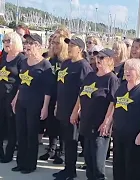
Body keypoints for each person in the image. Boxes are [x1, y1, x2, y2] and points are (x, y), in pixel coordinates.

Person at [102, 58, 140, 180]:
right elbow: (115, 106)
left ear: (139, 71)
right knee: (118, 166)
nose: (127, 72)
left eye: (131, 69)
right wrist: (108, 123)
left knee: (132, 168)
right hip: (119, 133)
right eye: (126, 69)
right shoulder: (122, 87)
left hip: (135, 135)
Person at [71, 48, 119, 180]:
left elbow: (113, 103)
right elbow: (81, 95)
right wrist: (75, 112)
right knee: (89, 159)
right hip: (87, 122)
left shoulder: (112, 79)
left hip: (100, 125)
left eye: (102, 58)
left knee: (98, 163)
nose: (98, 60)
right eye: (97, 58)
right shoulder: (91, 76)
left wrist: (107, 122)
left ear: (109, 60)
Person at [11, 33, 54, 174]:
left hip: (35, 104)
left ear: (38, 46)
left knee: (31, 134)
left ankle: (30, 164)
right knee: (21, 133)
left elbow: (48, 89)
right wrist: (15, 98)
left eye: (30, 43)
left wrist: (45, 107)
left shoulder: (45, 65)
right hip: (21, 101)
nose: (27, 46)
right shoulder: (23, 62)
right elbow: (21, 82)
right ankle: (21, 162)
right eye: (26, 43)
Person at [53, 37, 92, 180]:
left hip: (73, 110)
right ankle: (67, 168)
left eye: (73, 46)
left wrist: (76, 111)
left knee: (72, 141)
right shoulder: (66, 63)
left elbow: (83, 92)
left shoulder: (84, 67)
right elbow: (60, 85)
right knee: (66, 139)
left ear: (80, 49)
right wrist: (57, 104)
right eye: (69, 45)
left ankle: (71, 171)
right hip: (62, 107)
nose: (69, 48)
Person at [38, 30, 70, 165]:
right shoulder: (50, 60)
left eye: (57, 43)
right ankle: (51, 148)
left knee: (62, 125)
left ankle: (61, 151)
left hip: (62, 97)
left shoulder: (67, 62)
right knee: (51, 124)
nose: (54, 45)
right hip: (50, 95)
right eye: (53, 43)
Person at [0, 32, 26, 163]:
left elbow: (23, 81)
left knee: (11, 126)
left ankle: (9, 154)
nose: (5, 43)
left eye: (8, 40)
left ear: (15, 42)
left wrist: (17, 98)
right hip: (1, 94)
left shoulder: (21, 59)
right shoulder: (3, 55)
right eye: (4, 40)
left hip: (12, 96)